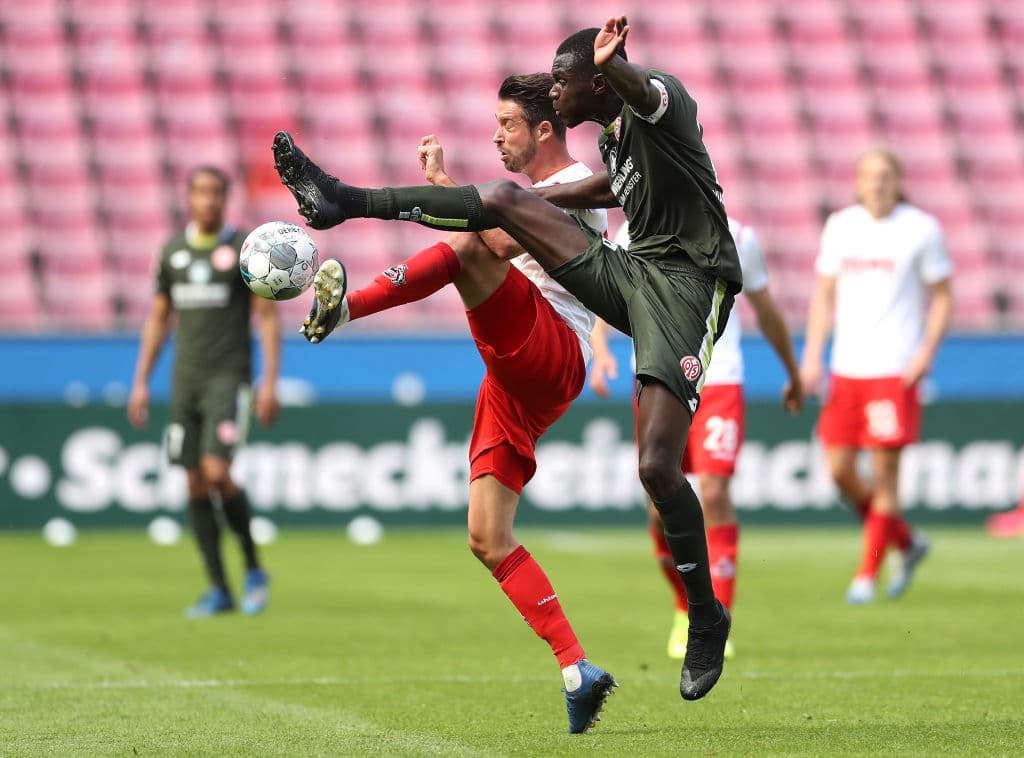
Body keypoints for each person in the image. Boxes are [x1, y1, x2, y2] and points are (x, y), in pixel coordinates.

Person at [274, 16, 742, 702]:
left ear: (595, 79)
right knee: (496, 201)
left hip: (688, 289)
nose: (555, 90)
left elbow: (641, 92)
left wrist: (616, 68)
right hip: (630, 274)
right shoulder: (613, 148)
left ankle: (705, 614)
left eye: (563, 78)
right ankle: (341, 200)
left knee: (656, 467)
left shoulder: (659, 100)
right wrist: (485, 204)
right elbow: (593, 195)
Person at [299, 73, 615, 734]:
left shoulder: (573, 186)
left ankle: (346, 309)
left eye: (506, 124)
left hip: (553, 351)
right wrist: (447, 192)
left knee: (470, 245)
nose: (496, 135)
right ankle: (575, 668)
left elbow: (490, 239)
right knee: (486, 537)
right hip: (516, 378)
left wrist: (445, 198)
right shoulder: (536, 193)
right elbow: (492, 226)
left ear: (544, 130)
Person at [591, 217, 802, 660]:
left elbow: (764, 310)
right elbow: (606, 291)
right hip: (657, 377)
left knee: (716, 492)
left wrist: (793, 372)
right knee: (657, 506)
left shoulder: (740, 236)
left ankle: (717, 617)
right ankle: (683, 606)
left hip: (719, 379)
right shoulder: (632, 233)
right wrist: (601, 349)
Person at [800, 147, 953, 604]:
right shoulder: (841, 226)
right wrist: (812, 357)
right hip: (847, 369)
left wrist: (926, 352)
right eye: (870, 176)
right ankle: (906, 542)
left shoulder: (921, 229)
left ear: (899, 179)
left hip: (894, 370)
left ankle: (867, 575)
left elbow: (943, 296)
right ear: (858, 181)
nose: (878, 183)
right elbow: (824, 296)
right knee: (840, 470)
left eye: (886, 175)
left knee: (886, 476)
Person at [128, 166, 280, 618]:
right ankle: (219, 589)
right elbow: (158, 318)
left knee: (216, 471)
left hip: (228, 379)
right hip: (185, 381)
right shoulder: (172, 252)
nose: (208, 201)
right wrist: (140, 381)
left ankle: (254, 568)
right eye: (201, 193)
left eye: (216, 193)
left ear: (226, 198)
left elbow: (266, 317)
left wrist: (269, 381)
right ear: (189, 198)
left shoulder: (243, 251)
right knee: (193, 481)